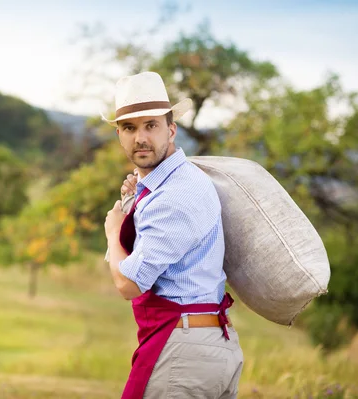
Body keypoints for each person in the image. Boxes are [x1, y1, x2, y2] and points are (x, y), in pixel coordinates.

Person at [103, 71, 244, 399]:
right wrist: (133, 204)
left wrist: (112, 231)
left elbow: (129, 283)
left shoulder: (173, 196)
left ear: (171, 129)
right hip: (209, 346)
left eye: (151, 125)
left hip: (184, 351)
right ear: (120, 136)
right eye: (129, 128)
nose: (140, 137)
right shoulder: (170, 186)